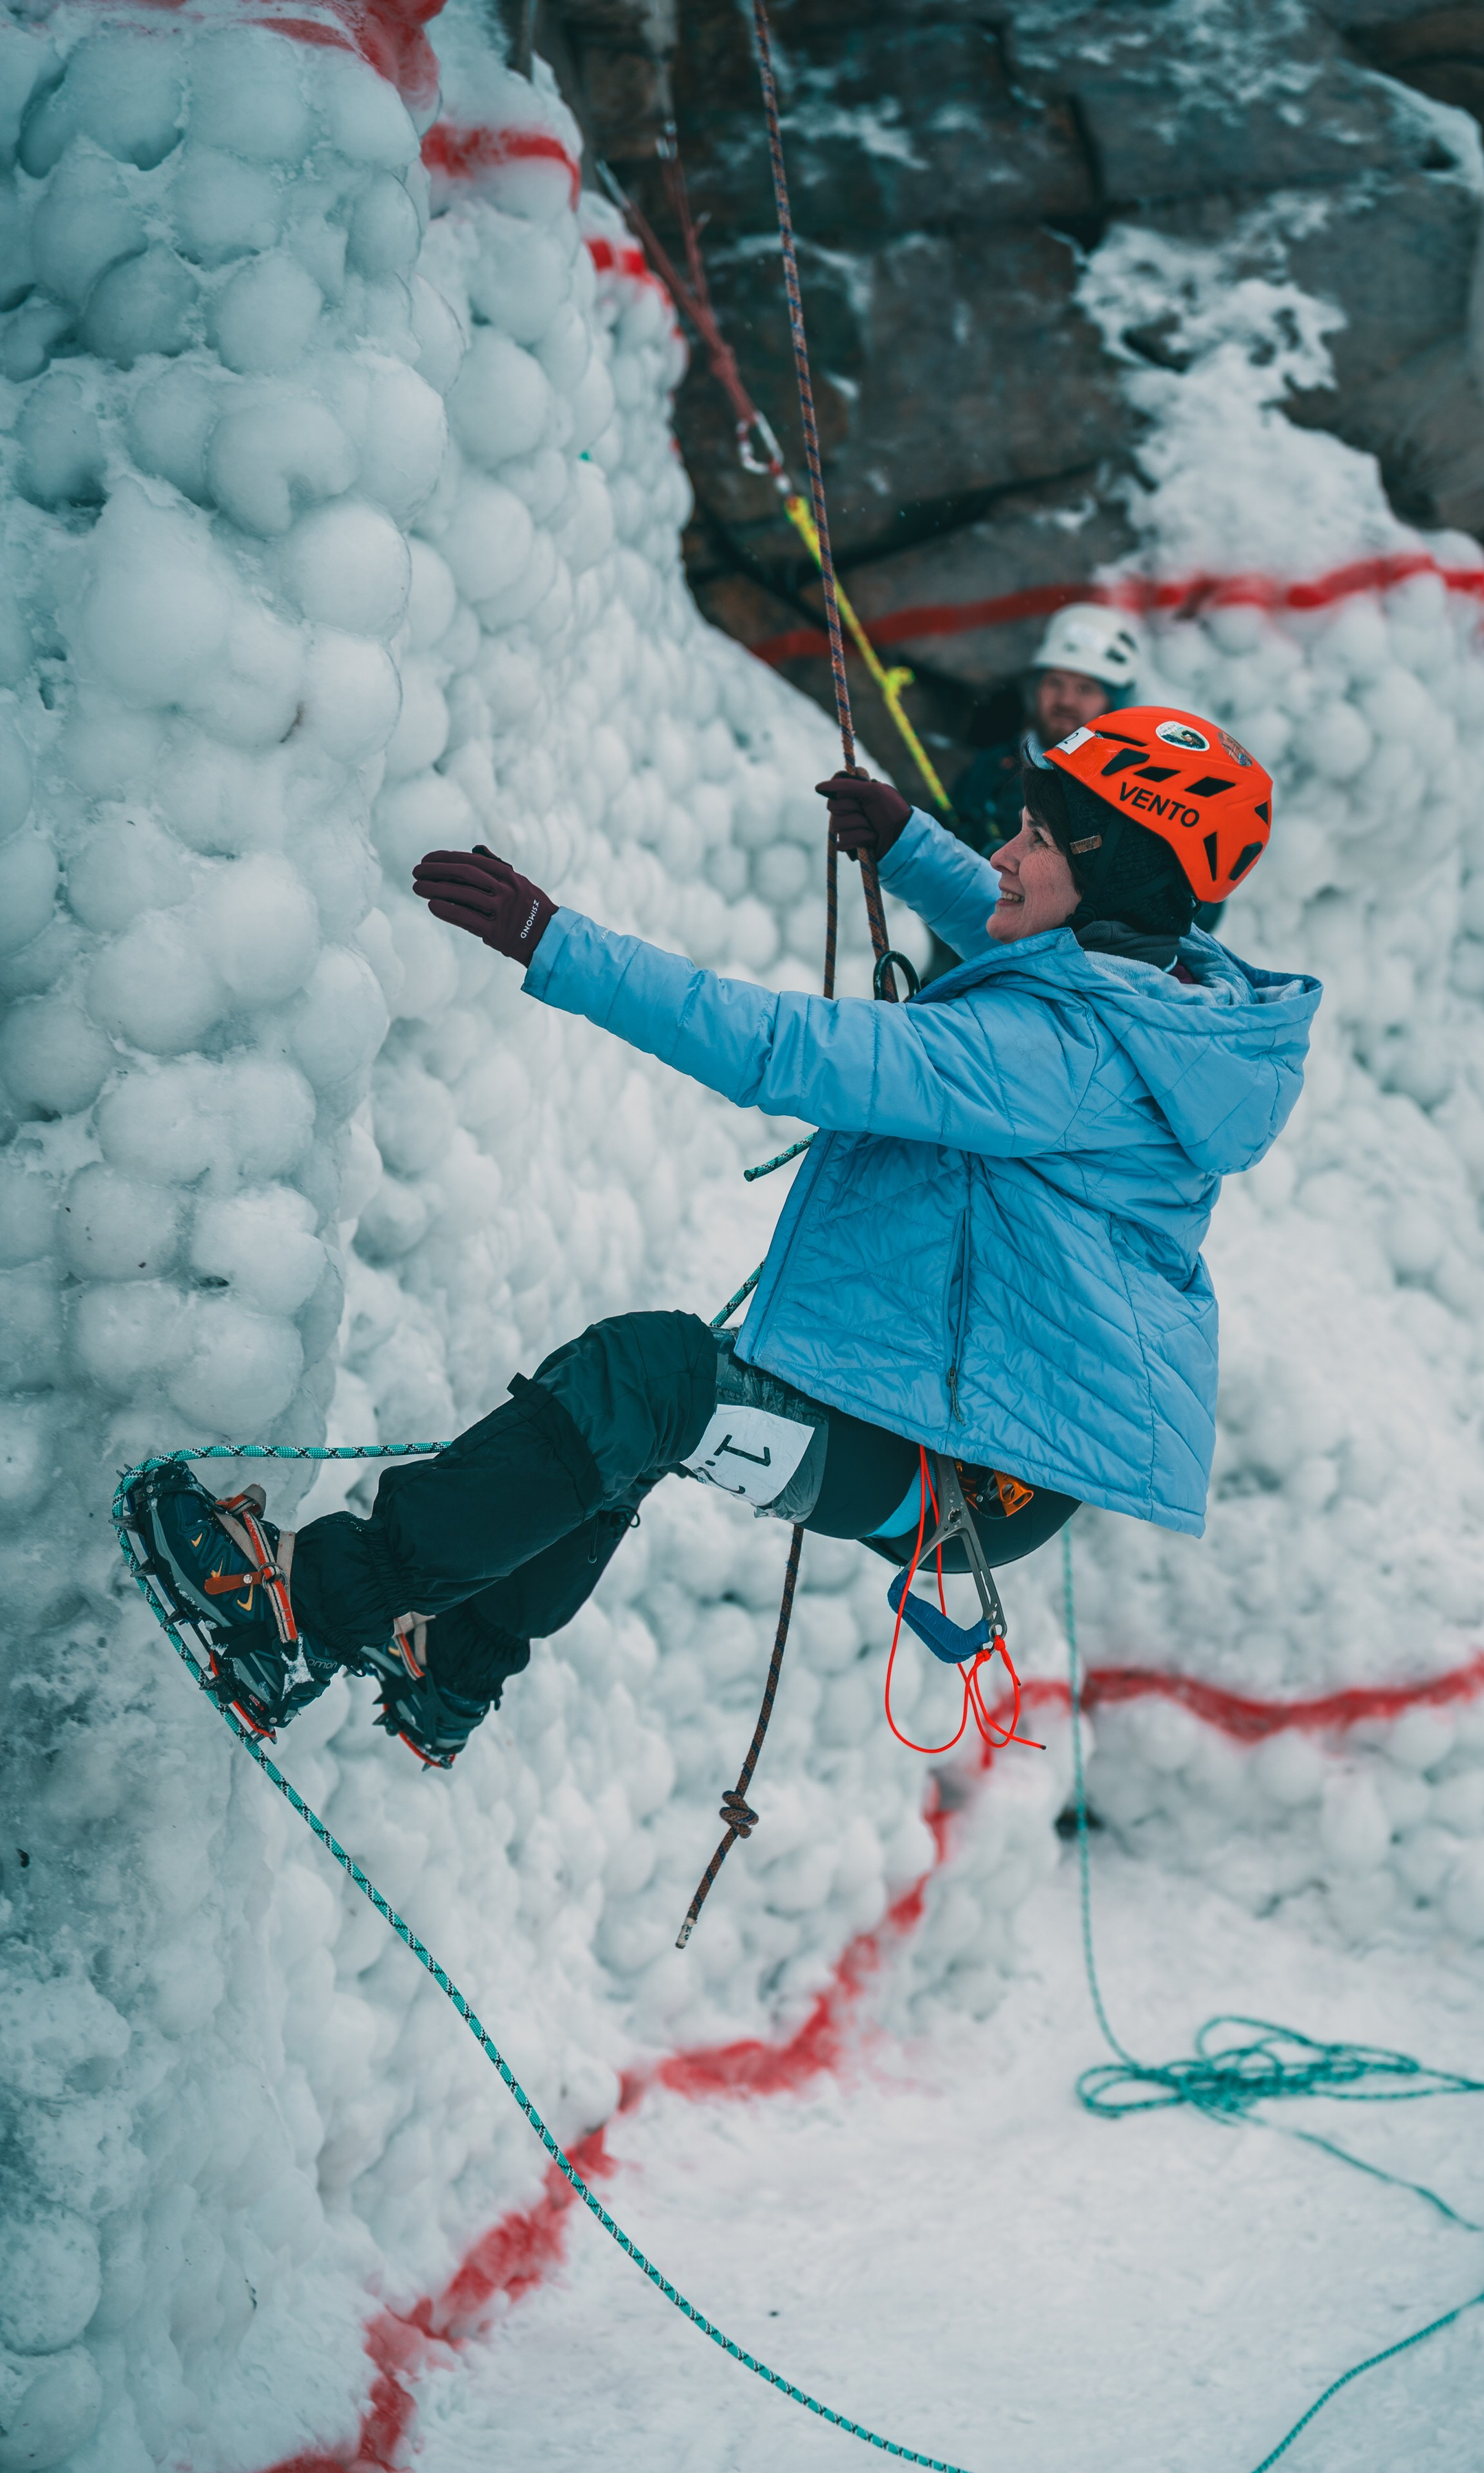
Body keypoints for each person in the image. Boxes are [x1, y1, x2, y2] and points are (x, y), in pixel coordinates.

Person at [136, 706, 1319, 1769]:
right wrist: (915, 852)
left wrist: (555, 941)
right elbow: (1042, 934)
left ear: (1120, 874)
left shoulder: (1061, 1062)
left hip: (959, 1475)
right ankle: (448, 1660)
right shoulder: (1167, 990)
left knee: (648, 1382)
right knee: (638, 1408)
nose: (1007, 856)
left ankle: (305, 1615)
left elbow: (785, 1053)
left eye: (1038, 842)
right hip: (979, 1437)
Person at [950, 604, 1140, 859]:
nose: (1066, 701)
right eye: (1055, 683)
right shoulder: (992, 767)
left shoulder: (1134, 788)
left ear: (1111, 703)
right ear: (1036, 689)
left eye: (1085, 688)